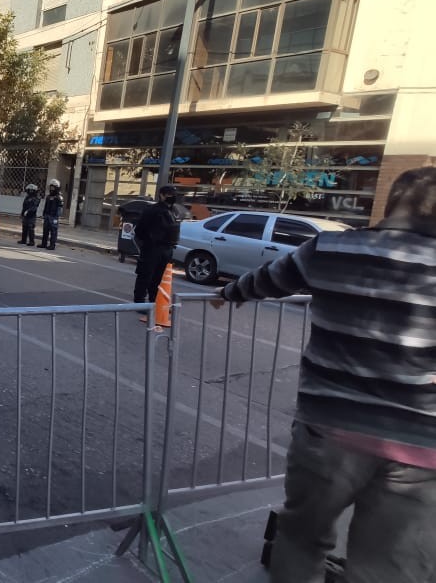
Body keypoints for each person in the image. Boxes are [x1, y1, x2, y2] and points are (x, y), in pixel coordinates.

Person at [212, 166, 436, 583]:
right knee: (388, 565)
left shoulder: (330, 249)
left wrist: (230, 292)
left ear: (389, 205)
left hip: (329, 433)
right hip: (420, 448)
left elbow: (269, 279)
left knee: (301, 539)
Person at [131, 184, 181, 309]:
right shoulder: (152, 210)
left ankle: (154, 301)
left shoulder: (174, 211)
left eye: (174, 195)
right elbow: (140, 230)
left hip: (167, 248)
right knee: (145, 275)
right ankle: (139, 302)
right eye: (169, 195)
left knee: (159, 277)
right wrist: (148, 242)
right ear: (162, 195)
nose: (172, 197)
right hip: (152, 248)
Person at [39, 179, 64, 249]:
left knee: (53, 231)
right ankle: (44, 244)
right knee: (45, 230)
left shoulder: (59, 197)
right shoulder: (48, 197)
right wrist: (43, 215)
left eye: (53, 187)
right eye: (51, 187)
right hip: (47, 216)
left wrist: (56, 217)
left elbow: (60, 209)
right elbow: (46, 206)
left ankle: (52, 245)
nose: (51, 189)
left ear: (57, 188)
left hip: (53, 217)